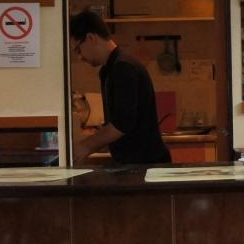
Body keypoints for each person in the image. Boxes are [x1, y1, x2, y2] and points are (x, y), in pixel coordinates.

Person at [69, 9, 171, 165]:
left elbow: (121, 124)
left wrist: (86, 146)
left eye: (78, 49)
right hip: (139, 163)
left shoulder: (123, 68)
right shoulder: (111, 69)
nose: (79, 56)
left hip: (146, 164)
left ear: (90, 38)